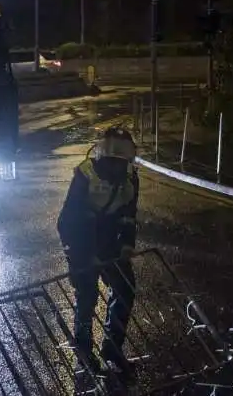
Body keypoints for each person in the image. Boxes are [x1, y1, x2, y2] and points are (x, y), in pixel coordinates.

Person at [57, 127, 139, 386]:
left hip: (109, 242)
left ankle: (112, 347)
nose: (117, 167)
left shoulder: (130, 177)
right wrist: (84, 255)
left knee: (125, 289)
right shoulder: (86, 174)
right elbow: (68, 220)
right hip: (81, 240)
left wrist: (126, 244)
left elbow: (129, 213)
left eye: (121, 162)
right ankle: (83, 350)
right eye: (113, 161)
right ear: (103, 157)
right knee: (87, 294)